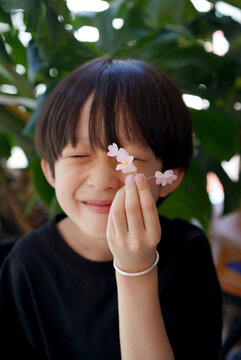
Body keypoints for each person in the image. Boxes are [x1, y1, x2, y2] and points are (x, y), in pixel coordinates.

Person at [0, 57, 222, 359]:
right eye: (78, 155)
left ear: (169, 178)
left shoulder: (186, 254)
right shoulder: (24, 265)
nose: (102, 181)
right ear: (50, 172)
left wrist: (137, 270)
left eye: (128, 159)